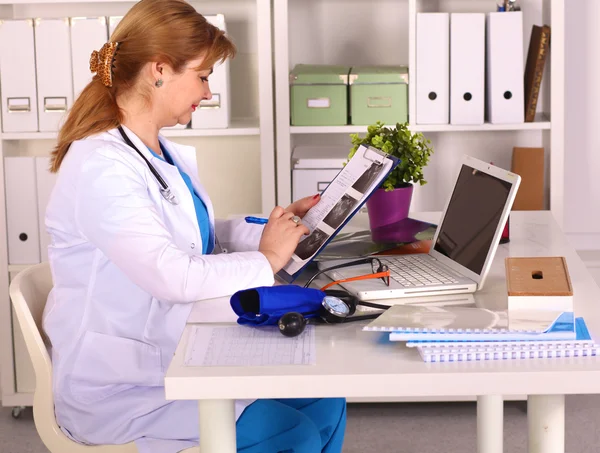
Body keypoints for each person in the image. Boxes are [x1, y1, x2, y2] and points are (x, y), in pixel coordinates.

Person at [41, 1, 346, 452]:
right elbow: (171, 274)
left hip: (174, 349)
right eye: (202, 76)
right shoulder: (101, 166)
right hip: (123, 387)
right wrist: (267, 258)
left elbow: (197, 235)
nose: (207, 93)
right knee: (291, 432)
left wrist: (280, 228)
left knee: (326, 398)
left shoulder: (156, 150)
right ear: (158, 70)